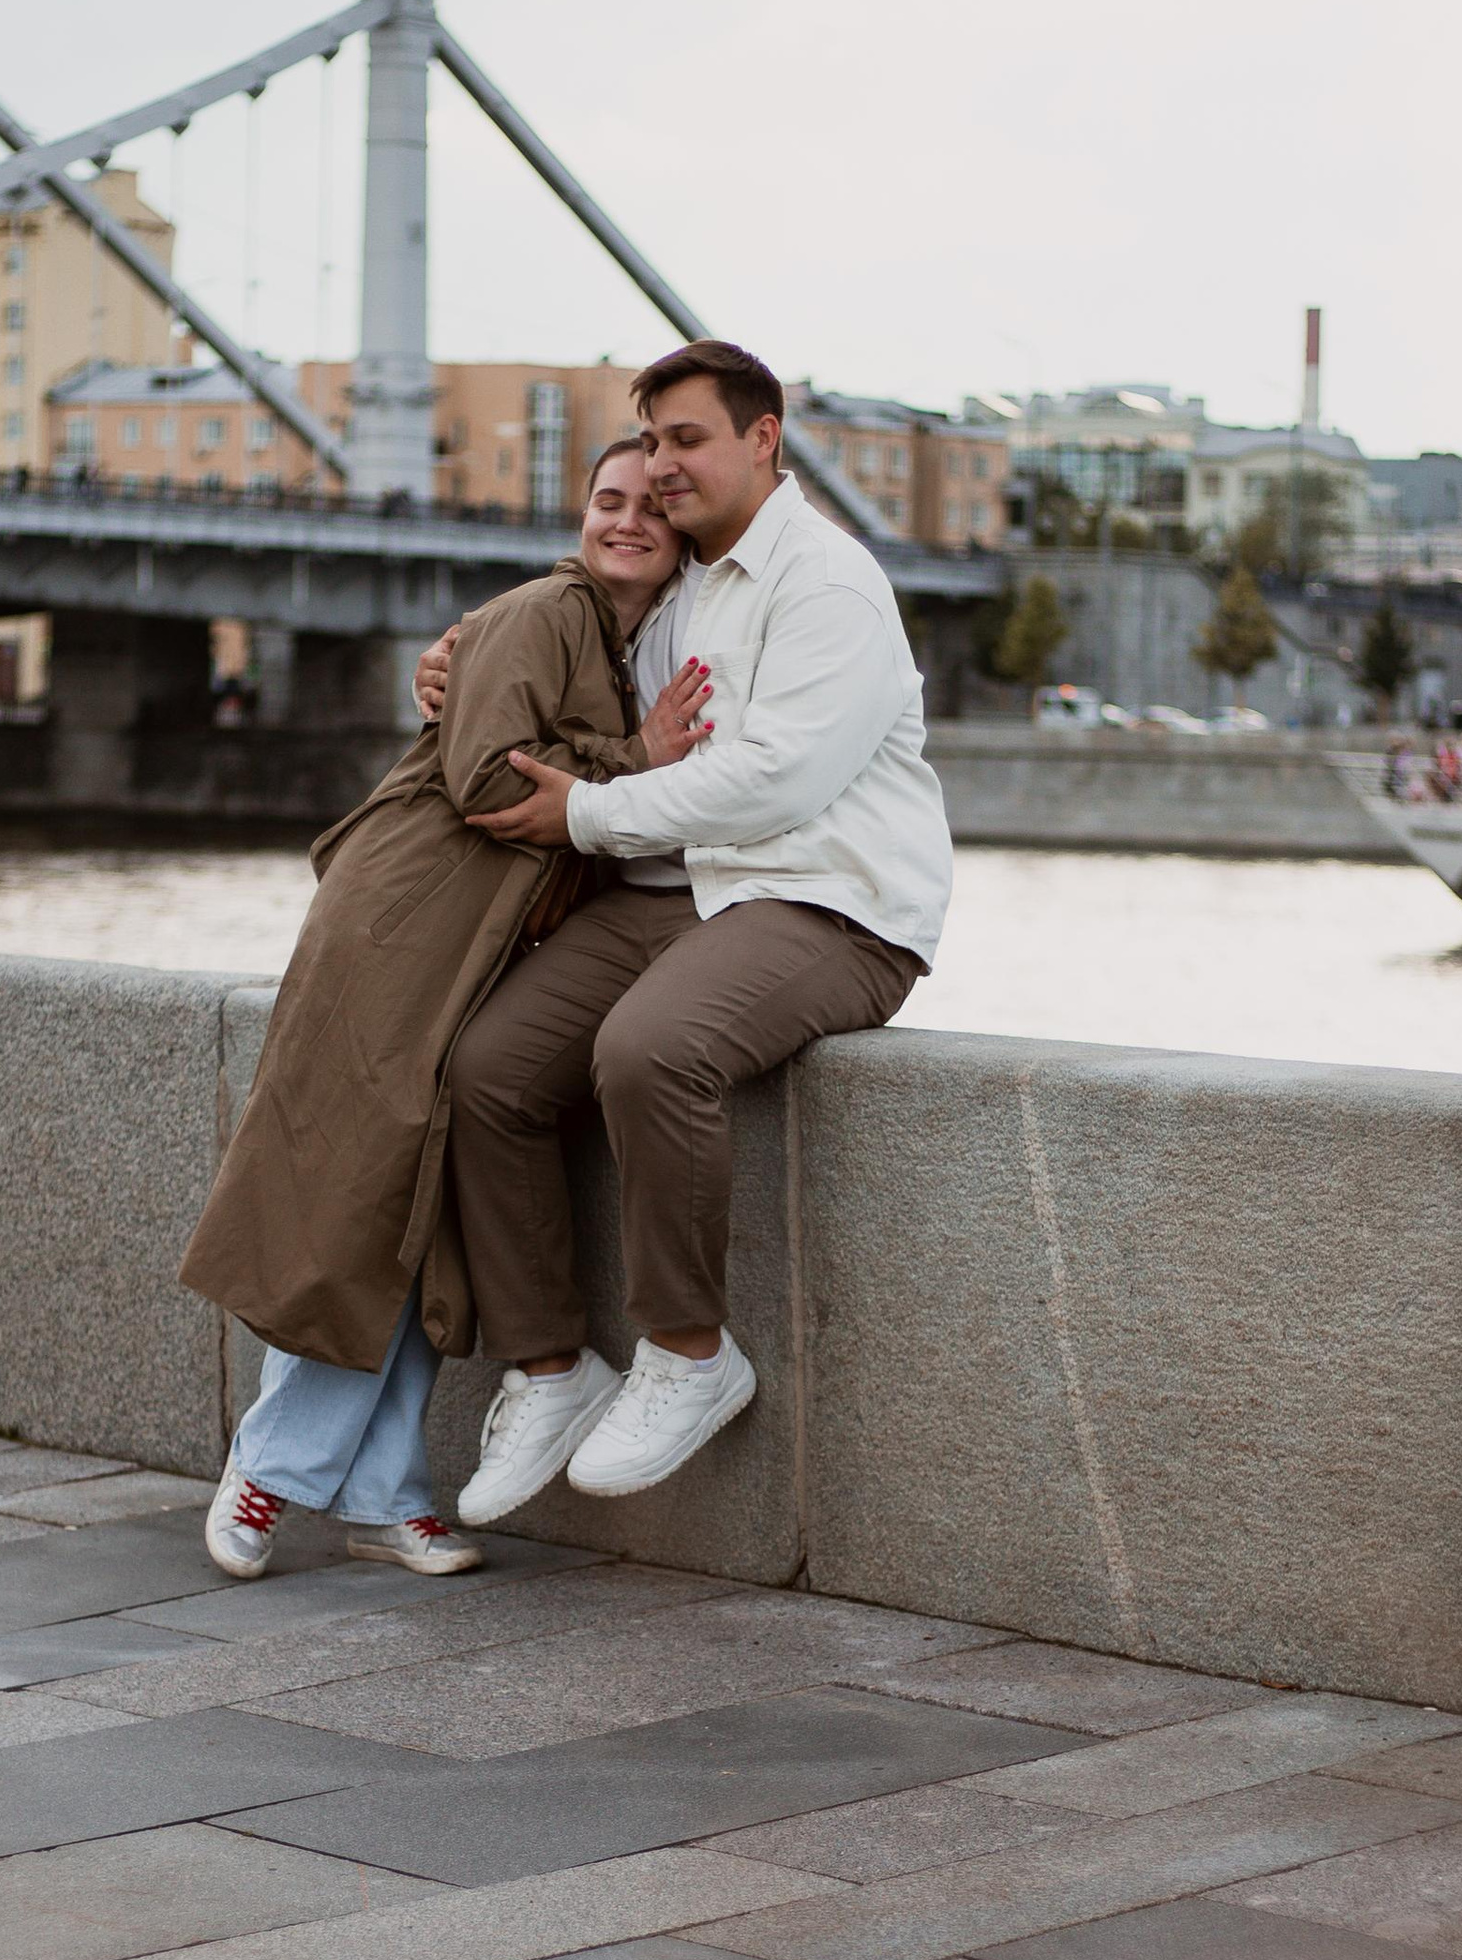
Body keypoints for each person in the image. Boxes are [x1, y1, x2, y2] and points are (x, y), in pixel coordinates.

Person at [177, 442, 710, 1580]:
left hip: (480, 943)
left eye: (650, 508)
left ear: (683, 536)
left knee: (420, 1205)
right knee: (356, 1195)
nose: (625, 521)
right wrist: (641, 757)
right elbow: (486, 781)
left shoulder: (631, 639)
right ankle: (266, 1467)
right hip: (403, 927)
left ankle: (385, 1494)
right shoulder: (544, 611)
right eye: (605, 500)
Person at [445, 337, 951, 1522]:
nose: (664, 466)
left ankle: (688, 1353)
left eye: (687, 440)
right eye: (650, 442)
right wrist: (458, 661)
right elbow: (565, 637)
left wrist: (586, 814)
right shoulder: (680, 583)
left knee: (651, 1048)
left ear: (762, 439)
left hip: (829, 903)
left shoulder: (826, 585)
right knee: (486, 1070)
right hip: (676, 895)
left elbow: (775, 781)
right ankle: (552, 1370)